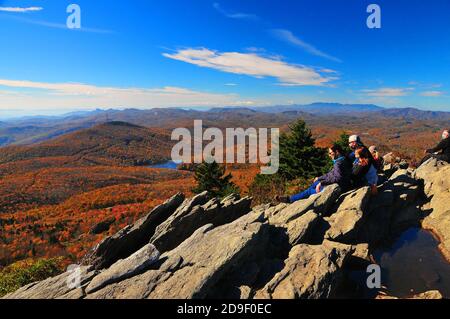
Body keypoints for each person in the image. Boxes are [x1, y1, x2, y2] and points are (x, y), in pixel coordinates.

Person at [276, 144, 352, 203]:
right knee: (315, 183)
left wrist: (322, 183)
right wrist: (319, 178)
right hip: (342, 184)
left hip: (339, 187)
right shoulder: (343, 159)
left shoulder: (338, 163)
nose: (329, 155)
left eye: (330, 153)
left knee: (309, 191)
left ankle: (289, 199)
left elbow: (337, 177)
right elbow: (331, 174)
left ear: (337, 152)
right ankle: (291, 198)